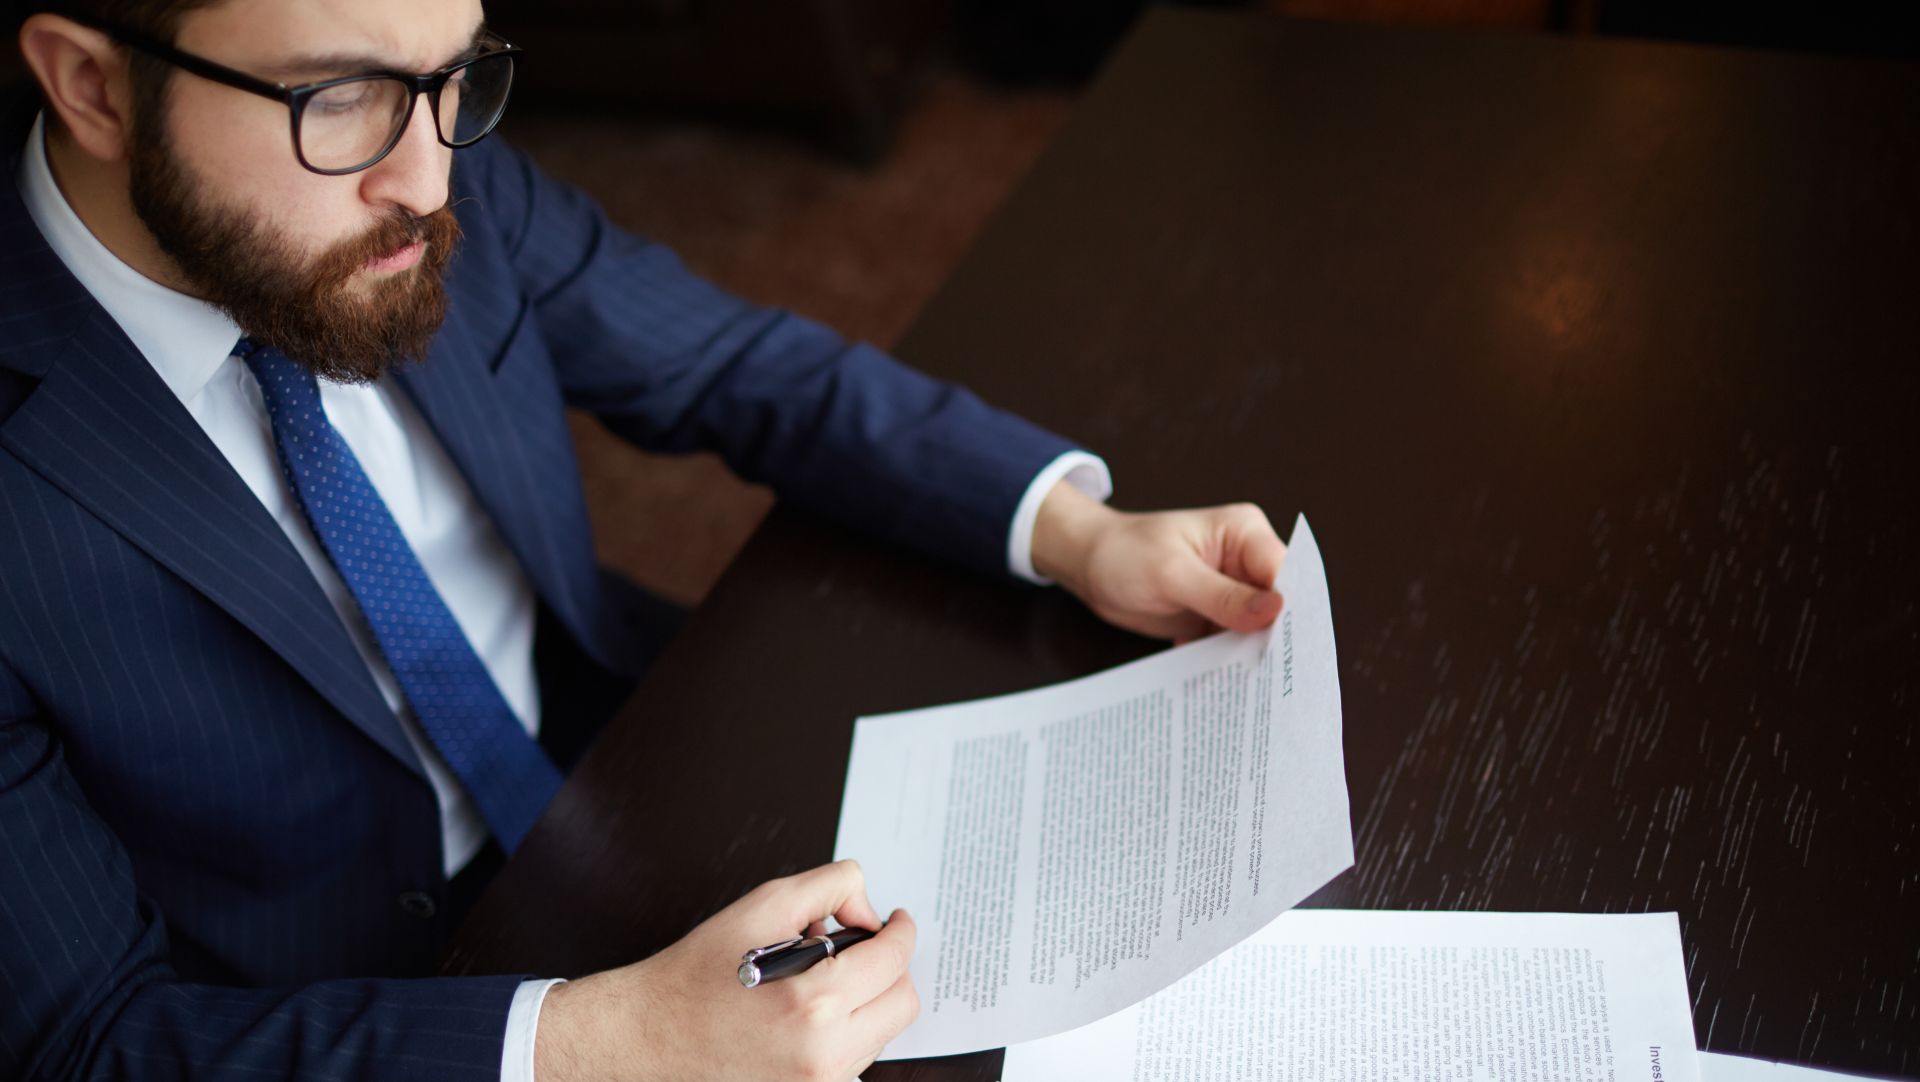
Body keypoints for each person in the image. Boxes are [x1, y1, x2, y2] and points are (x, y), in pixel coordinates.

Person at [0, 0, 1289, 1078]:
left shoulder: (426, 175)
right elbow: (84, 1041)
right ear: (93, 87)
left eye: (454, 73)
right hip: (339, 1004)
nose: (433, 182)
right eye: (335, 98)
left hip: (620, 750)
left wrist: (1074, 529)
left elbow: (732, 363)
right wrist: (611, 1040)